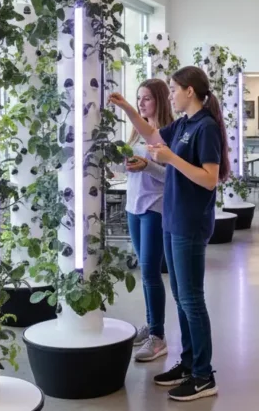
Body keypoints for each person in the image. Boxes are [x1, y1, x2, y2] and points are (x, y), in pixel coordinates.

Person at [109, 66, 227, 402]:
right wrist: (129, 109)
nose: (170, 94)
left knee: (191, 299)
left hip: (190, 222)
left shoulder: (205, 127)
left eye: (174, 89)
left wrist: (171, 158)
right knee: (181, 296)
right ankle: (188, 363)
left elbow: (209, 178)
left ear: (190, 91)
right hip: (173, 220)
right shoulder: (185, 124)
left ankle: (204, 375)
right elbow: (153, 137)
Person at [113, 79, 174, 362]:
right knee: (145, 272)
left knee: (150, 272)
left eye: (147, 98)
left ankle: (158, 336)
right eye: (139, 98)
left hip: (155, 207)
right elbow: (125, 171)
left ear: (160, 100)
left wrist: (147, 165)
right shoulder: (135, 135)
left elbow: (171, 176)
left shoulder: (166, 134)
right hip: (133, 206)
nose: (141, 103)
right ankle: (151, 324)